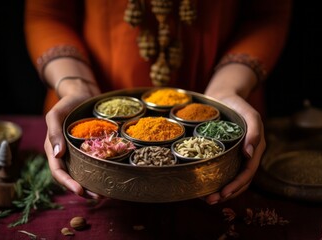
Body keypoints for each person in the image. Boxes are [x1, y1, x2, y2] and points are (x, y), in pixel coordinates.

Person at [24, 0, 292, 205]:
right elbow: (47, 14)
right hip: (92, 94)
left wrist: (226, 90)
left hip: (225, 94)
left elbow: (267, 14)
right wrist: (75, 86)